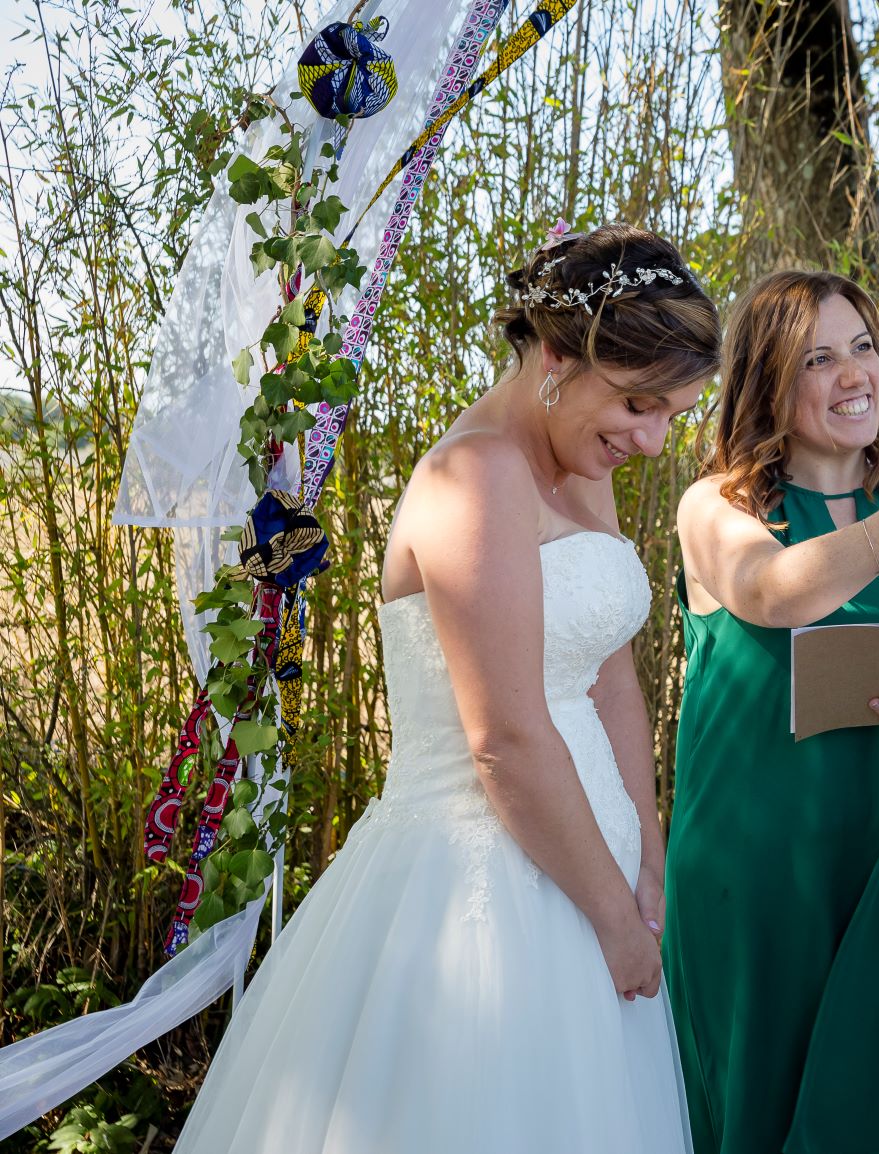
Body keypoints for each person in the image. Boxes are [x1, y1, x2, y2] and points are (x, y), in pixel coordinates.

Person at [173, 223, 721, 1153]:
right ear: (555, 356)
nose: (652, 439)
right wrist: (612, 920)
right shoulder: (473, 480)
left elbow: (609, 669)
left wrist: (648, 854)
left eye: (672, 413)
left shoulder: (582, 465)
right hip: (482, 888)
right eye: (638, 404)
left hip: (600, 865)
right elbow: (504, 737)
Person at [664, 269, 879, 1154]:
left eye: (862, 347)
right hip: (760, 873)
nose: (853, 373)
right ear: (769, 382)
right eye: (818, 358)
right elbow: (772, 592)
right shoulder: (721, 508)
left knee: (872, 1112)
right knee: (754, 1107)